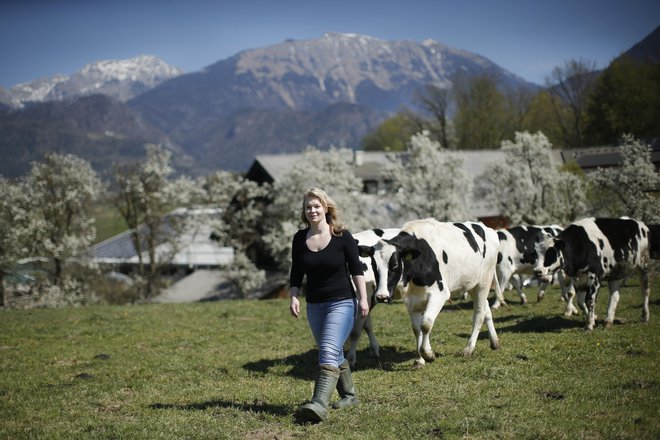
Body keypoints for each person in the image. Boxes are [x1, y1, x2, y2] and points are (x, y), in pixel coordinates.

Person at [289, 187, 369, 423]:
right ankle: (349, 395)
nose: (312, 210)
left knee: (327, 350)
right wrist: (294, 295)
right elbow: (296, 272)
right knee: (333, 351)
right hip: (314, 305)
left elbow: (357, 269)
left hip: (342, 302)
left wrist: (363, 299)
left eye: (316, 206)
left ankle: (318, 404)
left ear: (326, 208)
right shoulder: (299, 238)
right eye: (308, 207)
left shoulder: (342, 236)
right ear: (304, 212)